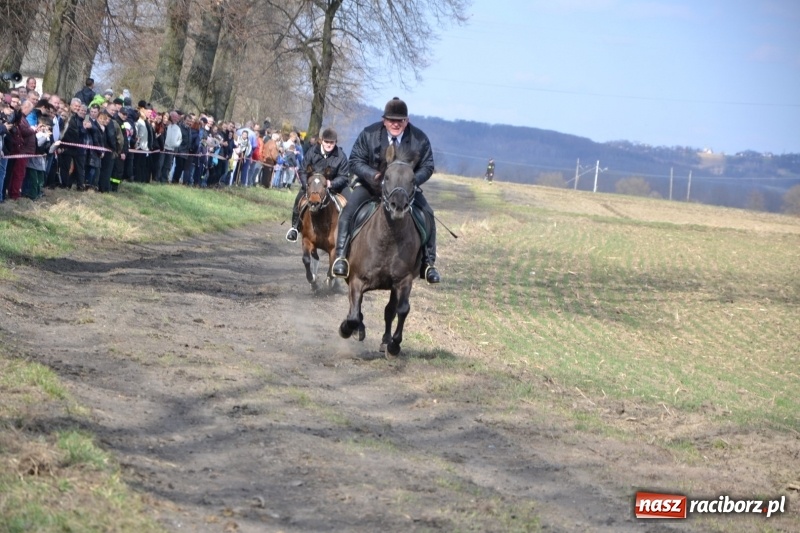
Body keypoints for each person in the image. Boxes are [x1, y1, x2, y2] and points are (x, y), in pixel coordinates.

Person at [331, 97, 440, 284]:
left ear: (407, 121)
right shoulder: (369, 134)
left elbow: (428, 165)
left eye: (400, 121)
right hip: (371, 186)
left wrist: (413, 180)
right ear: (384, 120)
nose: (395, 124)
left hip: (404, 190)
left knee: (428, 214)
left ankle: (428, 264)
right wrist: (373, 175)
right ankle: (341, 257)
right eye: (391, 120)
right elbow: (355, 160)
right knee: (348, 212)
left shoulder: (419, 138)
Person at [285, 127, 349, 242]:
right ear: (321, 140)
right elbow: (303, 170)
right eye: (326, 142)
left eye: (332, 142)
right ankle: (295, 227)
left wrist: (332, 183)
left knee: (350, 203)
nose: (329, 145)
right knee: (298, 199)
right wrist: (307, 185)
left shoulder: (341, 156)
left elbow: (344, 176)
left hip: (334, 185)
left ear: (335, 142)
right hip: (313, 186)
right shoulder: (312, 151)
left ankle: (348, 233)